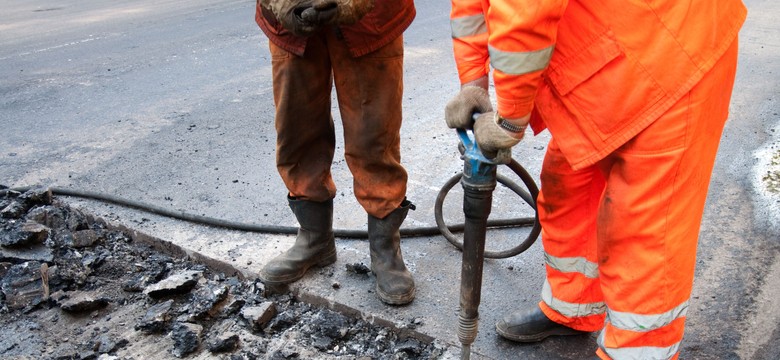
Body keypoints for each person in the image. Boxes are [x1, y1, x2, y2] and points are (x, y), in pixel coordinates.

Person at [445, 0, 747, 358]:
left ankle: (637, 352)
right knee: (570, 185)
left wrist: (510, 118)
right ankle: (573, 307)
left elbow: (523, 12)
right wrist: (472, 81)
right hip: (605, 52)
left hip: (669, 53)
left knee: (644, 233)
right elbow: (470, 7)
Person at [254, 0, 417, 305]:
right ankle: (315, 238)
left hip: (370, 19)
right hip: (291, 17)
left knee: (374, 132)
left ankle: (385, 247)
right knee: (296, 126)